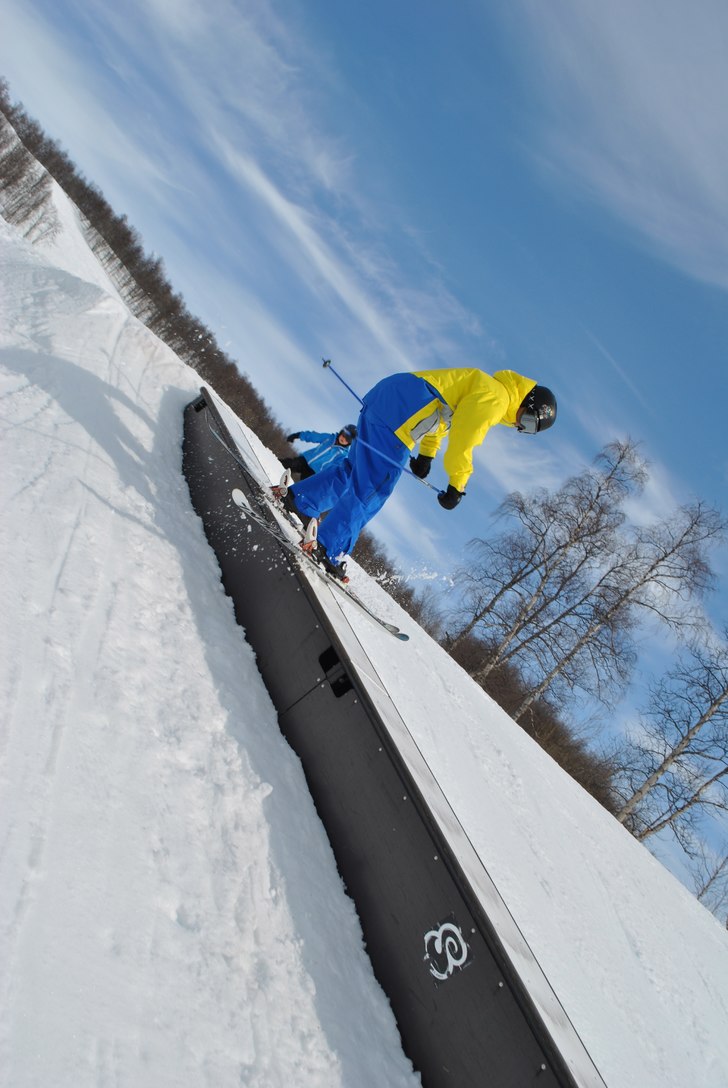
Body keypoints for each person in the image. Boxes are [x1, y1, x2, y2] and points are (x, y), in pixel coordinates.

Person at [281, 367, 557, 580]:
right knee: (375, 486)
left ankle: (301, 499)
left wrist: (426, 455)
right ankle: (328, 547)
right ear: (528, 401)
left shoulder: (483, 386)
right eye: (529, 419)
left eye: (529, 428)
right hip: (398, 417)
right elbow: (464, 438)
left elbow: (440, 416)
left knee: (356, 469)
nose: (522, 425)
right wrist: (456, 486)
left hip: (387, 401)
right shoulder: (496, 397)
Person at [281, 424, 358, 480]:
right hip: (305, 460)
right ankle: (271, 464)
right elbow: (314, 436)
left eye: (347, 439)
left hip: (314, 472)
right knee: (290, 464)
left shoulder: (342, 454)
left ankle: (288, 498)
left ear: (350, 443)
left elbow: (337, 467)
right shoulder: (329, 438)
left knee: (302, 488)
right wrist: (297, 435)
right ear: (341, 432)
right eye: (343, 435)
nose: (343, 439)